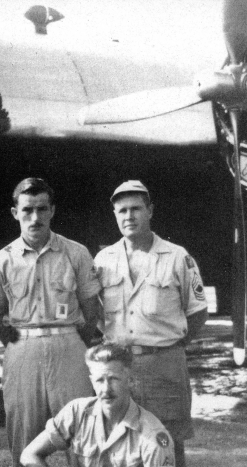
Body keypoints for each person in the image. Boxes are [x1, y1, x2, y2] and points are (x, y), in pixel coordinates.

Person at [0, 177, 101, 464]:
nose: (35, 217)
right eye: (27, 210)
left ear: (52, 211)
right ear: (15, 213)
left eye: (41, 209)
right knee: (24, 432)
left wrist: (73, 341)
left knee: (82, 430)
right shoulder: (2, 260)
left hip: (68, 345)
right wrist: (17, 342)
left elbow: (90, 309)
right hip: (23, 348)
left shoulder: (76, 253)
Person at [95, 180, 208, 467]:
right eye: (122, 211)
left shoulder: (177, 256)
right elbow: (93, 311)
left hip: (164, 365)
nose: (128, 216)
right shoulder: (103, 260)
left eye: (136, 209)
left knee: (167, 443)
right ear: (115, 215)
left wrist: (173, 345)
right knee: (119, 443)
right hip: (119, 366)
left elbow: (197, 311)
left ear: (150, 211)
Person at [20, 343, 176, 467]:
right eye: (99, 380)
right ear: (91, 382)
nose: (106, 389)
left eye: (114, 379)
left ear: (131, 381)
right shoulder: (77, 412)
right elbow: (29, 455)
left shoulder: (154, 436)